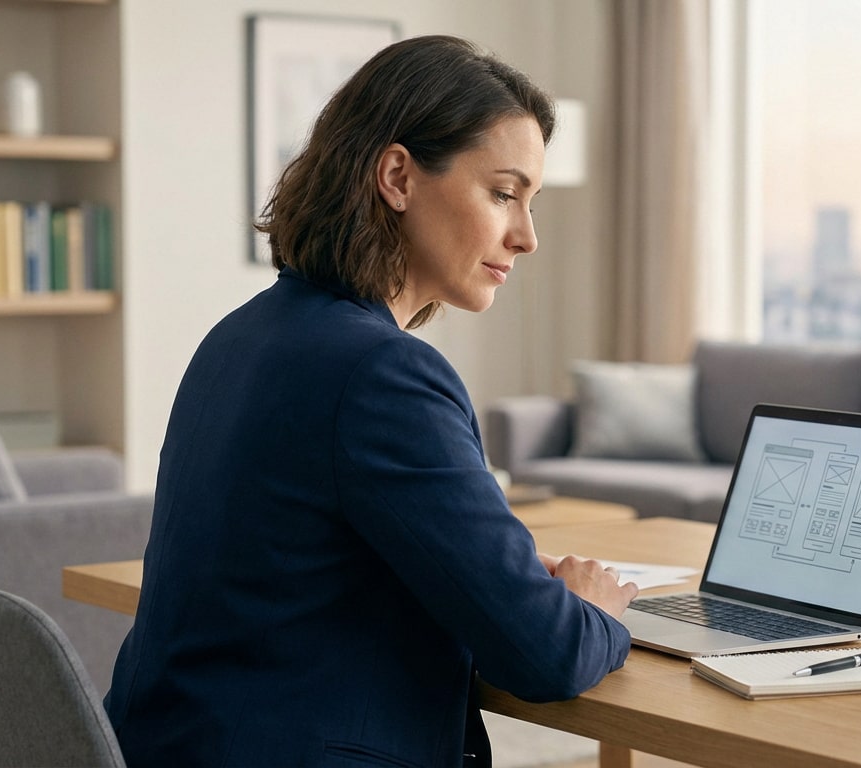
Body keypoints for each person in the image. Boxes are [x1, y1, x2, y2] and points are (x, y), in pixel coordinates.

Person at [102, 35, 639, 767]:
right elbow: (546, 654)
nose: (527, 237)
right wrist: (592, 609)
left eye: (531, 202)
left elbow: (306, 563)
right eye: (503, 194)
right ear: (397, 177)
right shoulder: (383, 374)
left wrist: (494, 572)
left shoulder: (240, 335)